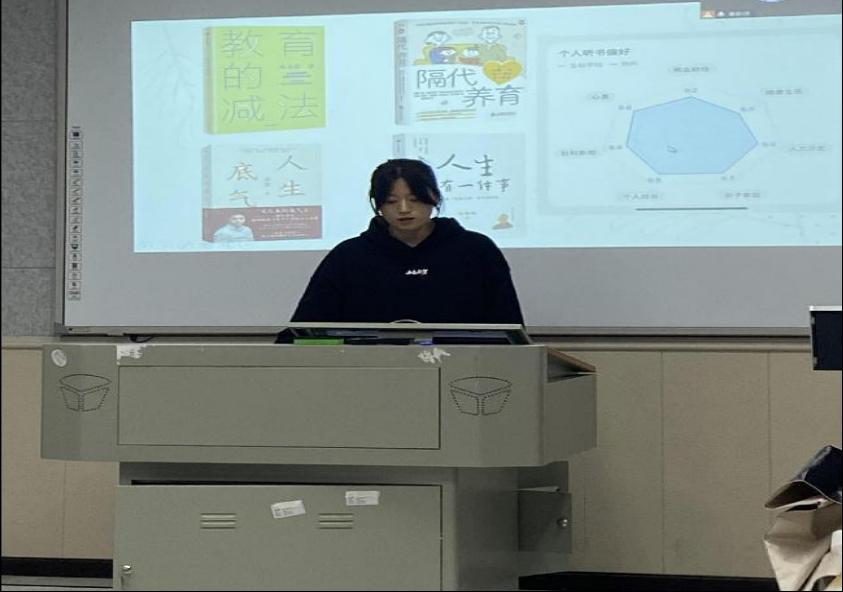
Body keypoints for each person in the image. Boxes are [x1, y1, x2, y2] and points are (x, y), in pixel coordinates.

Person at [291, 159, 524, 324]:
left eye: (414, 199)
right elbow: (306, 329)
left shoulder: (476, 250)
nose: (403, 209)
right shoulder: (349, 256)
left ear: (434, 197)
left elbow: (508, 326)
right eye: (391, 201)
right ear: (378, 205)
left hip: (464, 369)